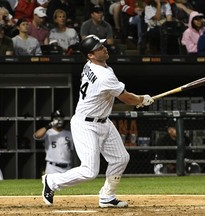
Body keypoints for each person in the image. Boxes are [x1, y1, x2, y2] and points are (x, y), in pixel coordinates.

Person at [41, 34, 154, 207]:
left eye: (102, 45)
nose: (104, 48)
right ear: (91, 56)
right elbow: (127, 99)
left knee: (121, 158)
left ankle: (107, 196)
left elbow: (119, 96)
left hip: (103, 122)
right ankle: (52, 181)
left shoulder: (92, 66)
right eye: (99, 48)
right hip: (85, 125)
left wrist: (137, 100)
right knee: (89, 171)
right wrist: (141, 100)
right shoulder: (103, 75)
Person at [33, 110, 75, 174]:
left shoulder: (69, 134)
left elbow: (72, 151)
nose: (58, 120)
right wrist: (49, 125)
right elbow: (36, 135)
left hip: (67, 167)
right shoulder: (48, 132)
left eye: (61, 118)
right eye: (56, 118)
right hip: (52, 167)